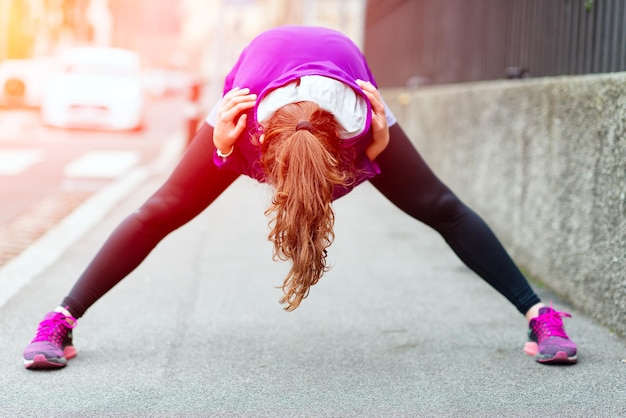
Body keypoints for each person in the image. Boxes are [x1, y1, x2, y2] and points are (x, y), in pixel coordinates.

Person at [22, 25, 577, 370]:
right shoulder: (240, 127)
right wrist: (220, 151)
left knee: (442, 208)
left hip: (342, 84)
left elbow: (431, 203)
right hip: (259, 86)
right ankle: (60, 320)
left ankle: (540, 313)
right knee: (159, 210)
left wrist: (372, 157)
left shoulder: (364, 124)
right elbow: (199, 176)